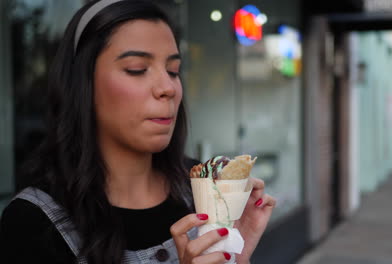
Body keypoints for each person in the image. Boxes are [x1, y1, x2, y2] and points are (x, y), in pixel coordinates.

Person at [0, 0, 276, 263]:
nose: (167, 88)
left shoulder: (202, 188)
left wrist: (236, 257)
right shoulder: (34, 222)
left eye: (173, 70)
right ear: (82, 85)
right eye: (137, 69)